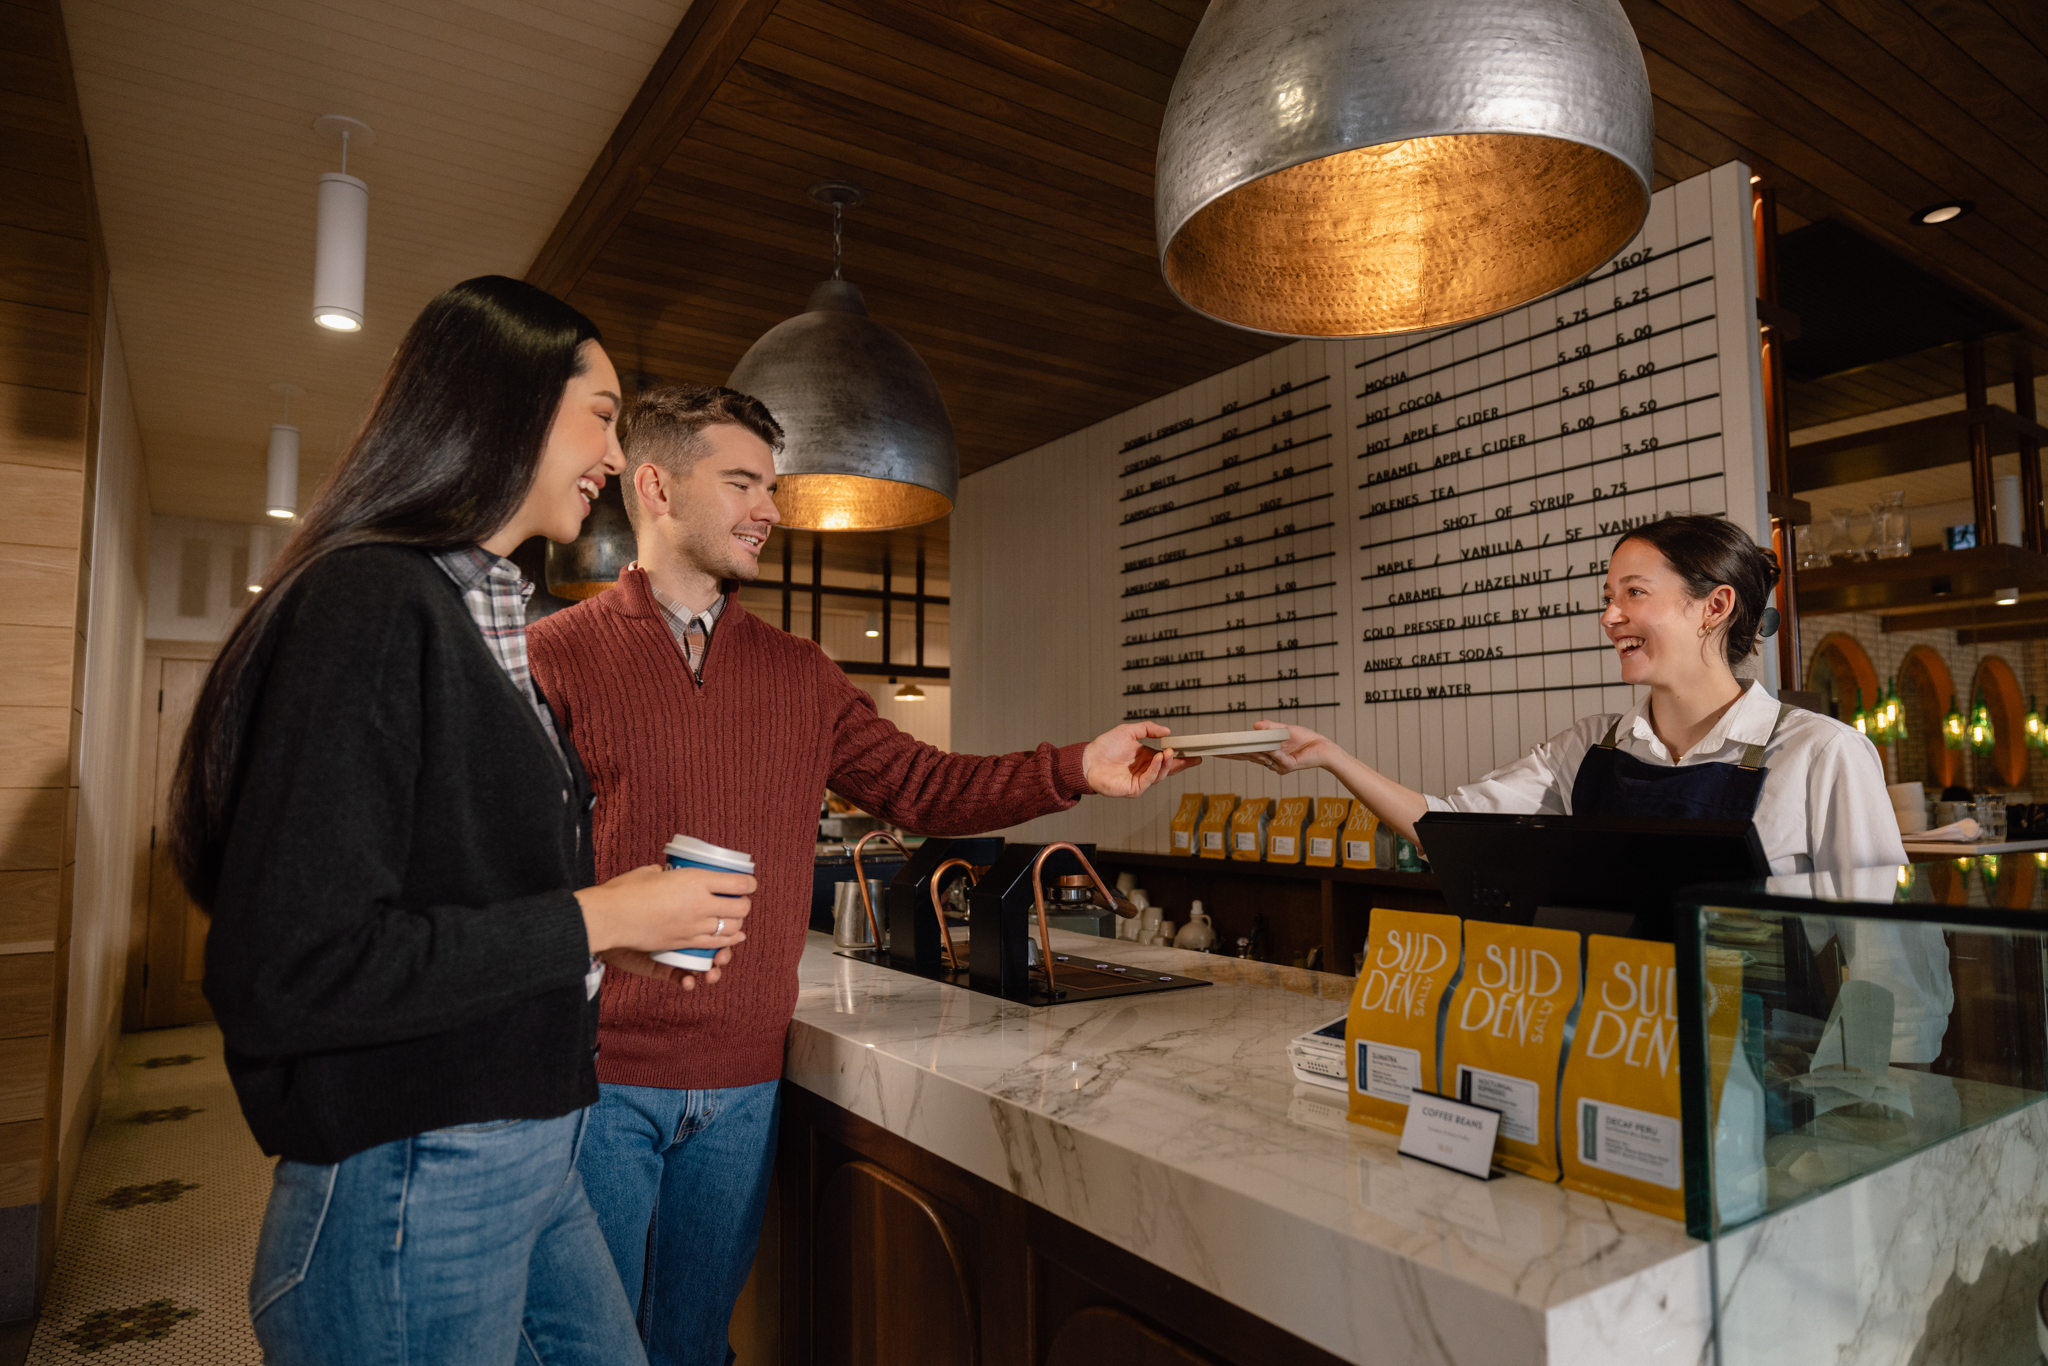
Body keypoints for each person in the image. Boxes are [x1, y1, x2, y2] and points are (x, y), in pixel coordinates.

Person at [526, 384, 1193, 1366]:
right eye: (742, 481)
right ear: (656, 484)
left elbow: (924, 787)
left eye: (774, 485)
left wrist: (1073, 767)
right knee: (584, 1354)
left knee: (692, 1345)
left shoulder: (802, 673)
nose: (770, 508)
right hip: (597, 1079)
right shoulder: (554, 655)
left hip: (746, 1084)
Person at [172, 278, 756, 1366]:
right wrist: (592, 917)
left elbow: (457, 891)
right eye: (601, 411)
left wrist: (612, 933)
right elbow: (293, 966)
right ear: (506, 404)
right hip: (417, 1171)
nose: (614, 451)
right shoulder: (368, 602)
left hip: (529, 1148)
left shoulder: (483, 616)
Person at [1230, 514, 1906, 875]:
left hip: (1774, 1069)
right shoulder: (1587, 749)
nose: (1610, 617)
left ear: (1715, 607)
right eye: (1607, 599)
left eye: (1633, 595)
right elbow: (1447, 828)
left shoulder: (1822, 754)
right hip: (1621, 1047)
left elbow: (1881, 957)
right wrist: (1329, 757)